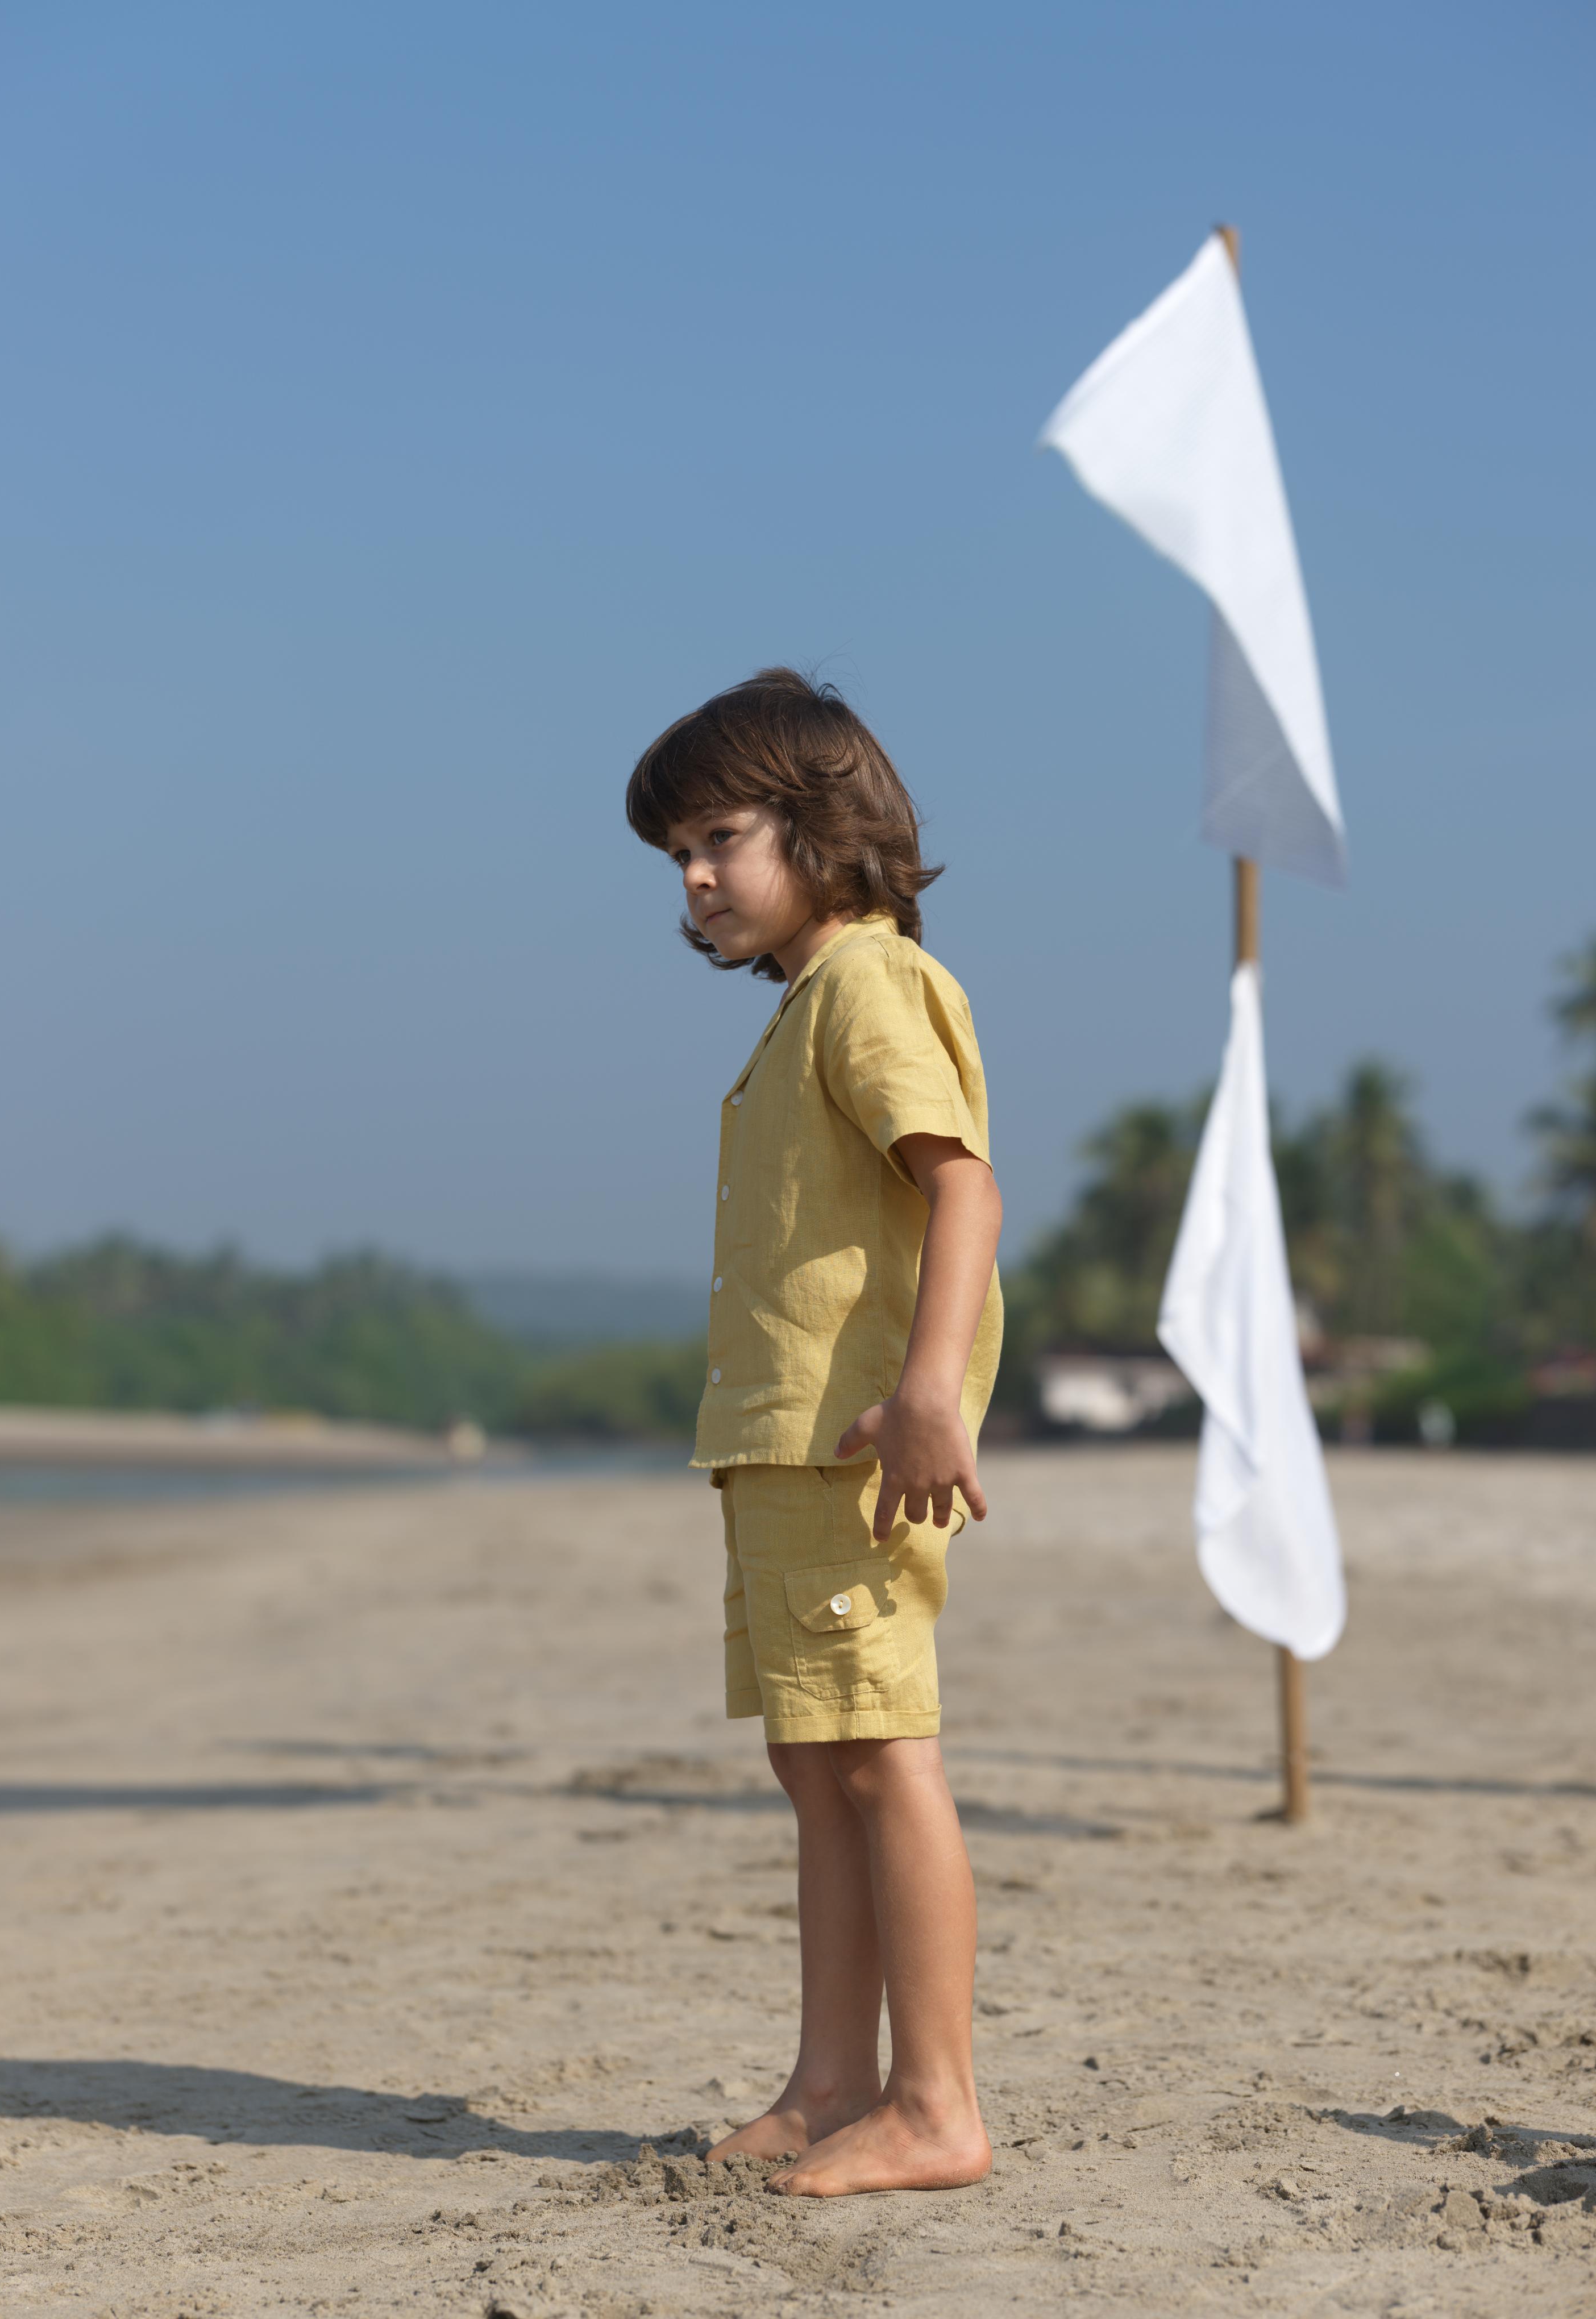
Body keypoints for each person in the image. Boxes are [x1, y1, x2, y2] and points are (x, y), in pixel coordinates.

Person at [625, 668, 1004, 2200]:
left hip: (855, 1446)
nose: (699, 879)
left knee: (883, 1755)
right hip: (786, 1447)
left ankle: (935, 2105)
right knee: (817, 1761)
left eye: (720, 837)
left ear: (822, 825)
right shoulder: (808, 1005)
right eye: (675, 859)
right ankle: (834, 2079)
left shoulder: (868, 986)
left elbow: (961, 1185)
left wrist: (928, 1395)